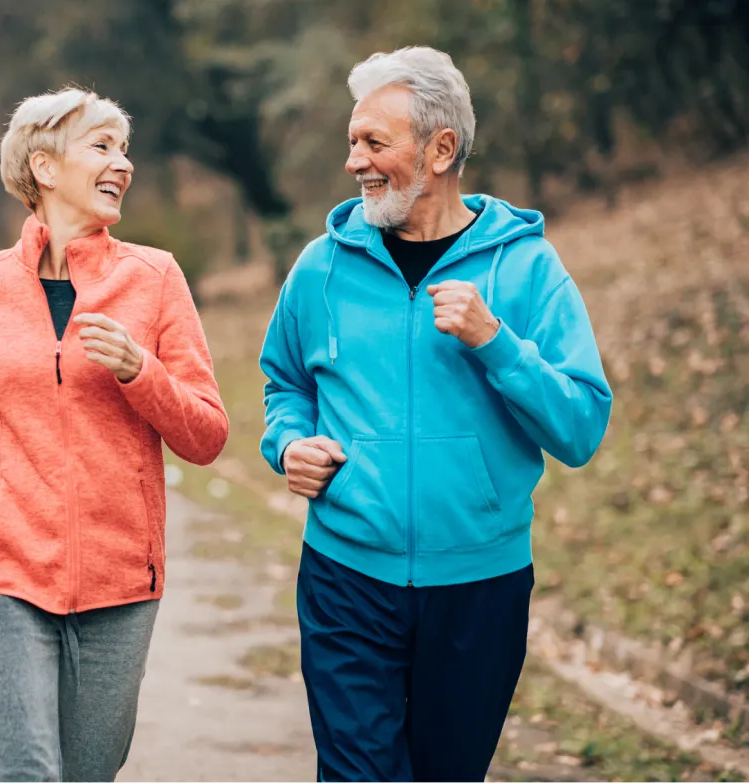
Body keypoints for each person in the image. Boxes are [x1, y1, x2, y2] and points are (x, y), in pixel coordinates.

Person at [259, 46, 612, 781]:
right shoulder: (320, 266)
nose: (354, 160)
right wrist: (287, 441)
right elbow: (283, 383)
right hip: (345, 575)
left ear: (440, 148)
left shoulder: (525, 269)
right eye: (351, 141)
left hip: (479, 585)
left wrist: (496, 344)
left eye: (373, 142)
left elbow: (580, 427)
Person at [0, 87, 228, 782]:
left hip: (120, 579)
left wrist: (140, 370)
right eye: (103, 146)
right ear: (44, 168)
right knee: (22, 771)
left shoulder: (154, 278)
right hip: (2, 567)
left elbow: (205, 435)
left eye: (125, 149)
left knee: (85, 773)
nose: (124, 164)